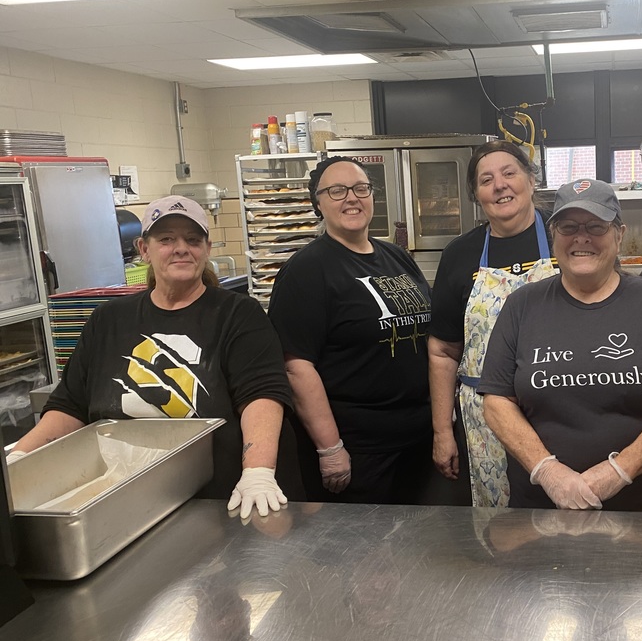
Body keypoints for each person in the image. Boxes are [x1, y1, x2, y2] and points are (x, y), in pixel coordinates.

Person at [10, 195, 298, 518]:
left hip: (218, 502)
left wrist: (257, 472)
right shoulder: (109, 320)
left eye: (193, 239)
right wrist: (19, 459)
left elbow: (261, 396)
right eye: (166, 239)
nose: (181, 248)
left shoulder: (237, 315)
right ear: (143, 249)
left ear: (207, 248)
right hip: (122, 499)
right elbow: (70, 405)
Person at [478, 179, 642, 511]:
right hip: (541, 509)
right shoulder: (522, 305)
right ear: (554, 235)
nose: (582, 238)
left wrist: (619, 470)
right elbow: (497, 402)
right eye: (569, 227)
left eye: (596, 226)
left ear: (619, 234)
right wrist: (548, 471)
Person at [268, 156, 434, 504]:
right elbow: (296, 366)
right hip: (360, 449)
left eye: (361, 188)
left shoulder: (396, 256)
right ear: (318, 202)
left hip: (419, 439)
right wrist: (330, 449)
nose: (352, 198)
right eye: (337, 191)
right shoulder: (307, 270)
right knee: (364, 554)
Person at [428, 140, 559, 507]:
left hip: (559, 406)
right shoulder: (459, 254)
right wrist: (442, 431)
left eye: (509, 173)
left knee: (564, 509)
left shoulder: (564, 236)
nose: (499, 185)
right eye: (486, 180)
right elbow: (442, 351)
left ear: (532, 180)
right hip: (484, 416)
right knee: (499, 525)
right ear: (477, 195)